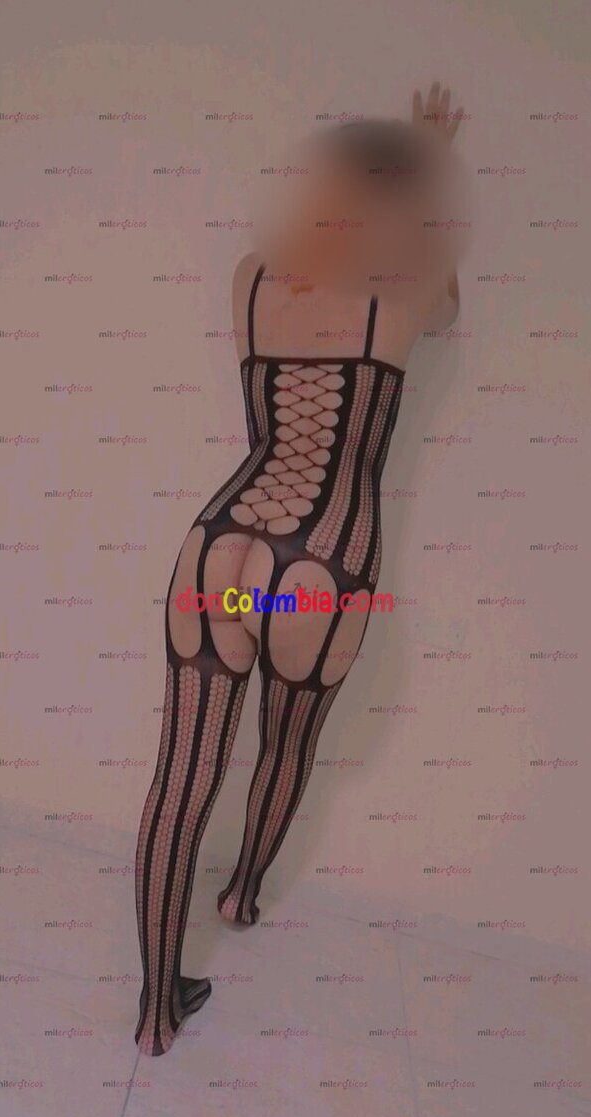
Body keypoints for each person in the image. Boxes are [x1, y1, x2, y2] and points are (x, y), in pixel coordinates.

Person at [134, 83, 466, 1055]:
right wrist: (427, 166)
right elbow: (446, 308)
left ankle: (154, 1013)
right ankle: (240, 896)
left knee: (181, 775)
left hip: (224, 557)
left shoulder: (252, 277)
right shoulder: (410, 279)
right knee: (285, 745)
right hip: (316, 573)